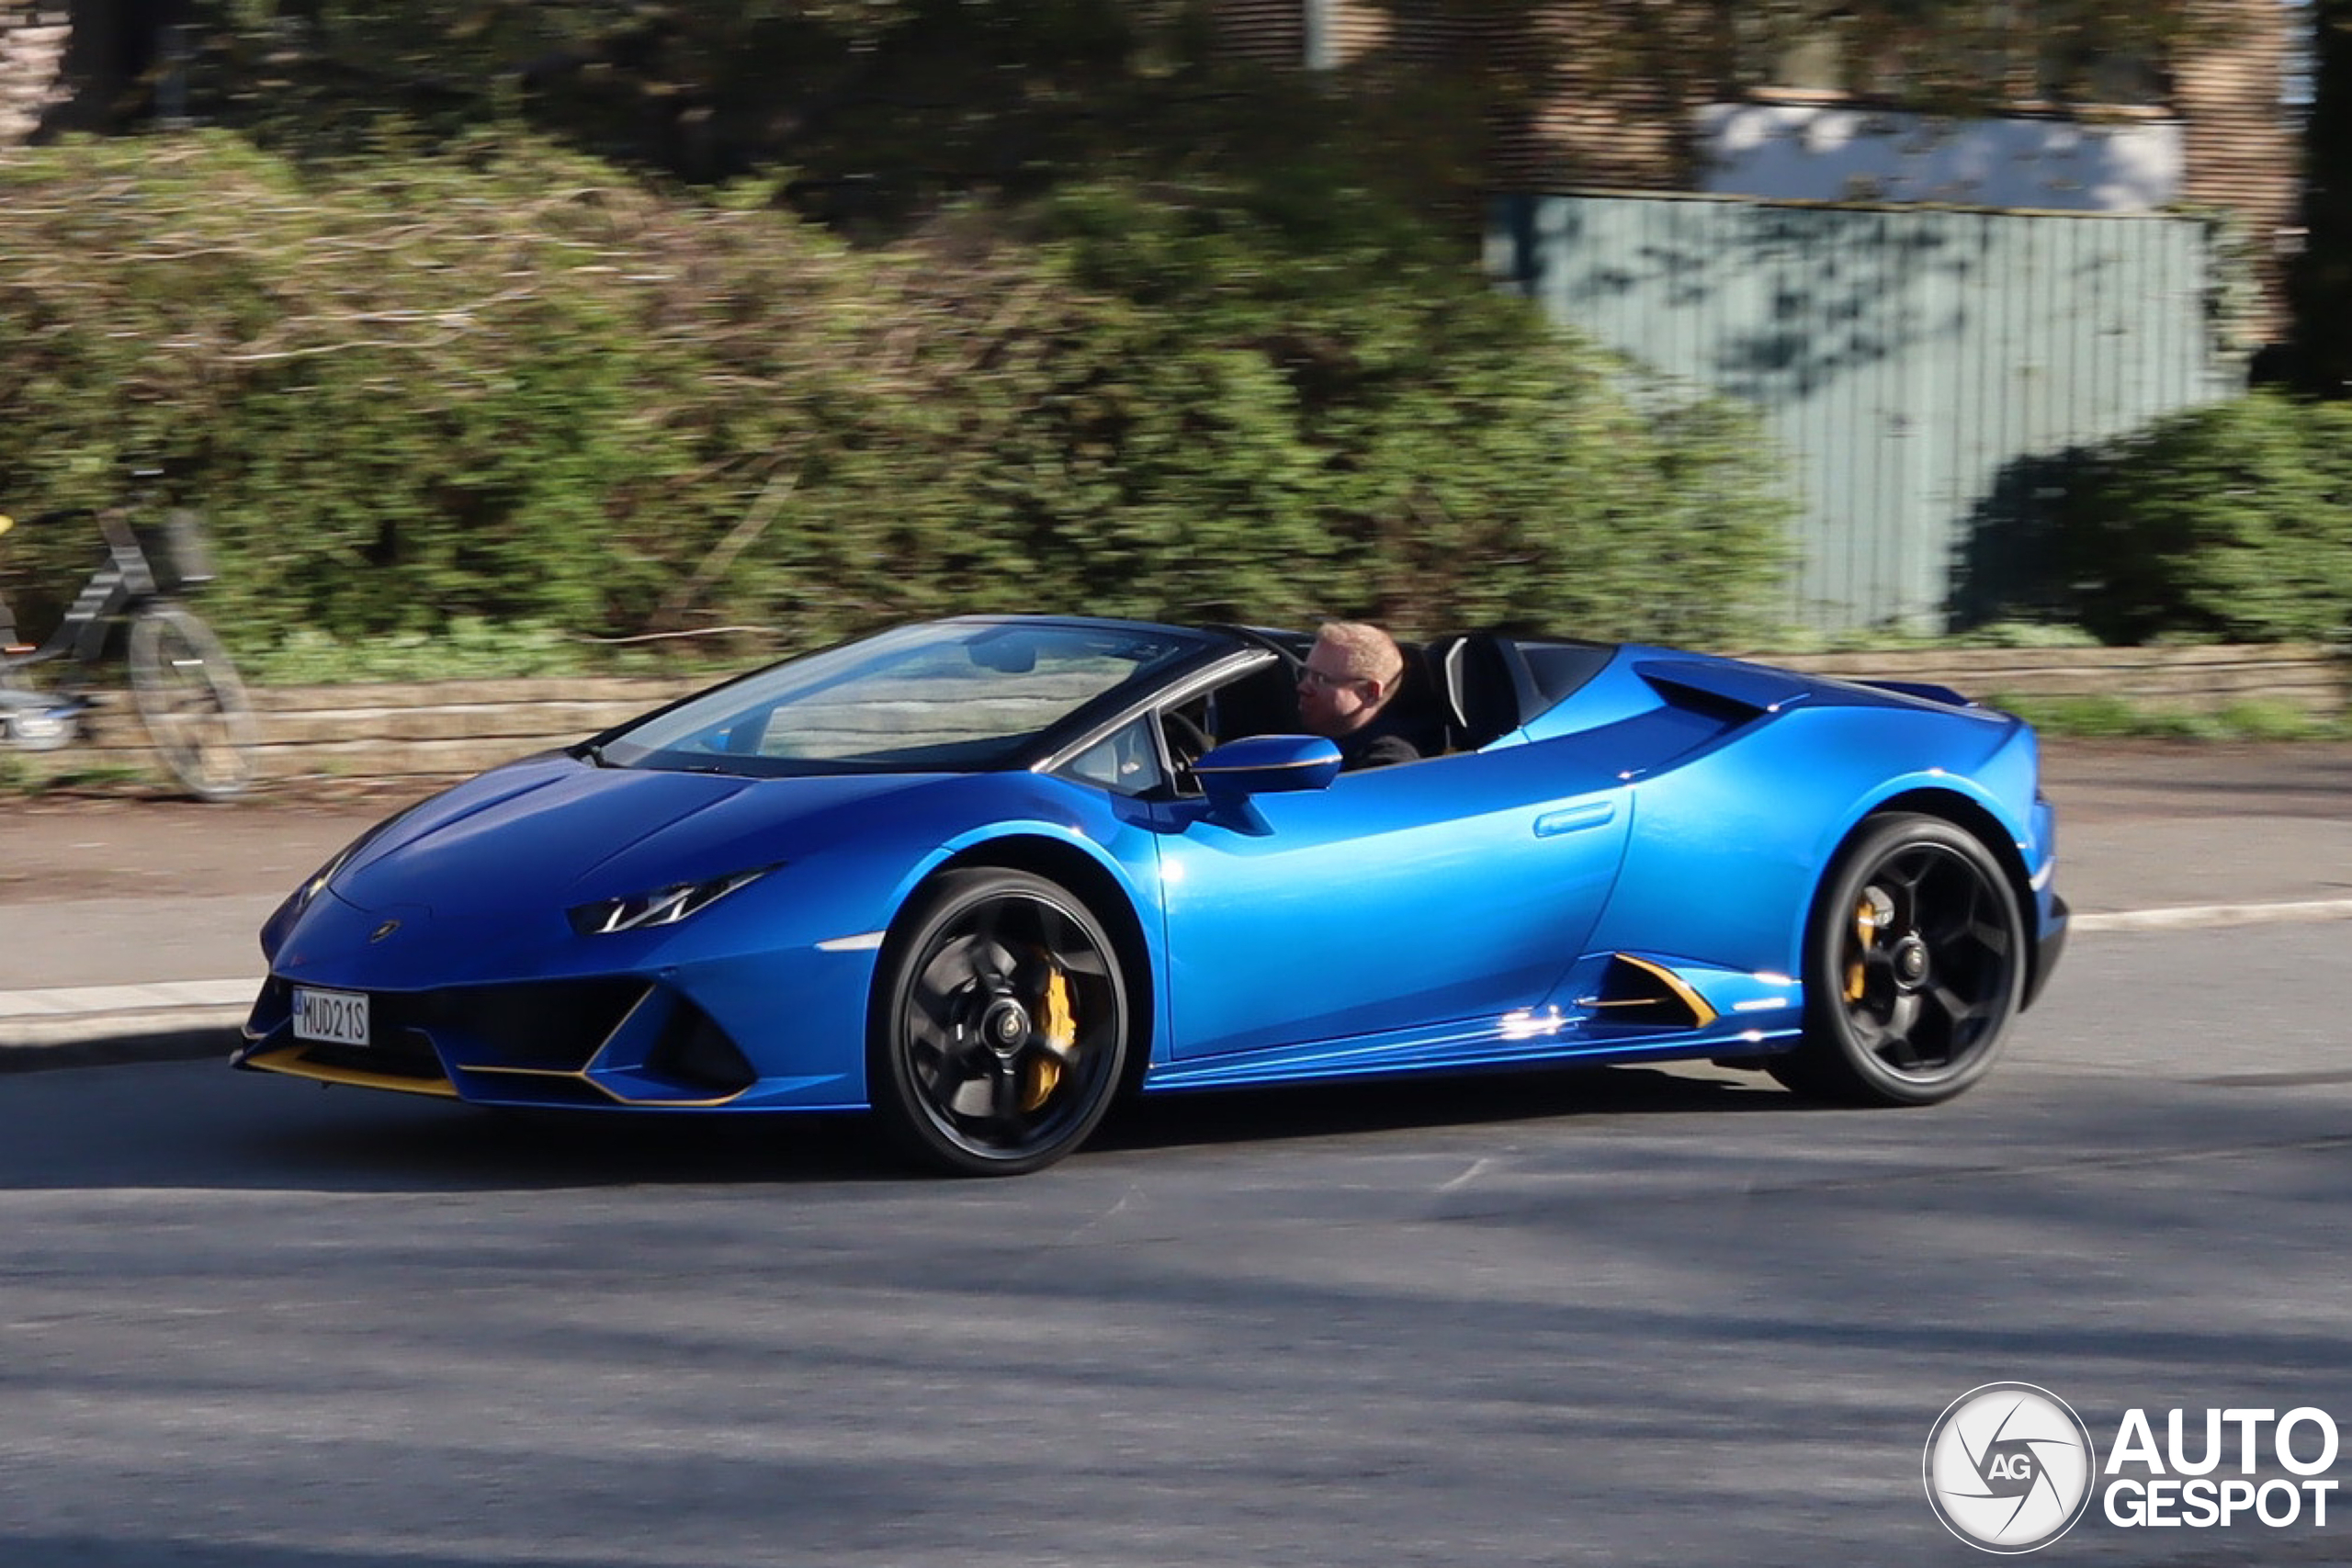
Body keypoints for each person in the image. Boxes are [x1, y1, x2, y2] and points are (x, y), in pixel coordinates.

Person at [1295, 620, 1421, 771]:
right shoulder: (1300, 734)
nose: (1301, 687)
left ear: (1369, 693)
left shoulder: (1387, 764)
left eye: (1320, 679)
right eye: (1304, 673)